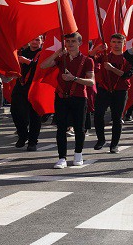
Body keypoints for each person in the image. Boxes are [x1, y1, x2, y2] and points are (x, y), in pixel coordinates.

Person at [40, 32, 95, 169]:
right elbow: (43, 66)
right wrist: (56, 53)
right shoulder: (61, 59)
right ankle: (62, 157)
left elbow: (91, 82)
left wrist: (74, 78)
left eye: (73, 41)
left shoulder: (87, 60)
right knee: (61, 128)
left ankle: (78, 154)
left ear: (79, 43)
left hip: (79, 98)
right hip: (61, 98)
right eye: (68, 41)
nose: (70, 44)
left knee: (79, 128)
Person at [90, 34, 133, 153]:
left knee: (117, 118)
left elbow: (127, 75)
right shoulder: (104, 56)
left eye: (119, 42)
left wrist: (112, 69)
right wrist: (96, 49)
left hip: (120, 91)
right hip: (104, 89)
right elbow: (89, 58)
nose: (116, 45)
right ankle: (101, 139)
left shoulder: (128, 58)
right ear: (110, 43)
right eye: (114, 42)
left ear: (124, 44)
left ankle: (114, 144)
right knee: (98, 114)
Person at [11, 36, 43, 151]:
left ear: (42, 41)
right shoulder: (22, 52)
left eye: (38, 40)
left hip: (35, 87)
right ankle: (23, 134)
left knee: (35, 115)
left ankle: (32, 141)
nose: (35, 42)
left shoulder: (42, 53)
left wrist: (27, 62)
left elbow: (41, 67)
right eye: (33, 39)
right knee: (15, 111)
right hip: (21, 85)